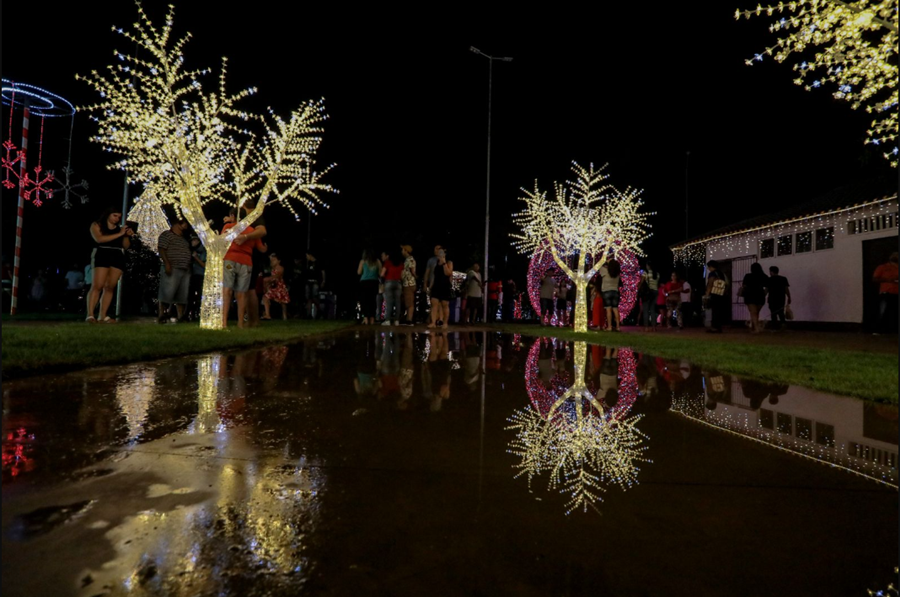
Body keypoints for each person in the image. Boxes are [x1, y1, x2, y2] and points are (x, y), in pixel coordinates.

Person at [86, 207, 134, 323]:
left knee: (110, 286)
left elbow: (126, 246)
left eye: (119, 217)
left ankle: (103, 315)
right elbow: (100, 239)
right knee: (98, 285)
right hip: (102, 253)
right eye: (114, 216)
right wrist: (120, 233)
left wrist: (126, 235)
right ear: (108, 214)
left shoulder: (120, 229)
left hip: (117, 255)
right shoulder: (97, 225)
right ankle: (90, 314)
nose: (117, 219)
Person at [221, 208, 264, 328]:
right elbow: (261, 248)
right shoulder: (251, 231)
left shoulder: (228, 227)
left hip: (230, 260)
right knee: (242, 293)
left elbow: (222, 241)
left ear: (233, 216)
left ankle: (224, 322)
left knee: (227, 290)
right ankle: (240, 323)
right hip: (246, 262)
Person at [232, 199, 268, 327]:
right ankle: (252, 320)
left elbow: (262, 231)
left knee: (248, 289)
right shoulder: (247, 219)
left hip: (251, 257)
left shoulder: (254, 216)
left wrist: (246, 237)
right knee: (247, 288)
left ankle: (253, 320)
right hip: (249, 257)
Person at [157, 218, 192, 323]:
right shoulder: (167, 235)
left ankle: (180, 316)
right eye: (185, 223)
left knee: (182, 294)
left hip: (184, 269)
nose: (186, 226)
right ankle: (162, 314)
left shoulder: (183, 238)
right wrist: (167, 263)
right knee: (167, 291)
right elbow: (162, 248)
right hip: (173, 267)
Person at [872, 252, 899, 335]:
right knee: (884, 311)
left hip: (897, 292)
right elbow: (875, 279)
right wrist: (888, 280)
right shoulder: (883, 267)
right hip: (886, 292)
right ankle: (879, 330)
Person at [740, 262, 768, 333]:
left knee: (753, 312)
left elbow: (744, 286)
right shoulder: (764, 276)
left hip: (750, 295)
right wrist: (764, 293)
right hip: (760, 296)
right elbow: (768, 287)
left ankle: (756, 328)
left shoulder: (748, 276)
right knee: (756, 312)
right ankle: (754, 327)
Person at [429, 248, 452, 329]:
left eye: (442, 253)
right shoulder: (436, 264)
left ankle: (445, 323)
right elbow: (434, 276)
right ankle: (433, 322)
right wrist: (430, 286)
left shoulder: (448, 263)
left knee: (444, 305)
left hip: (444, 286)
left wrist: (444, 263)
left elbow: (448, 273)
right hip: (436, 286)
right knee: (434, 304)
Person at [262, 253, 290, 320]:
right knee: (265, 298)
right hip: (274, 287)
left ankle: (284, 316)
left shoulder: (280, 268)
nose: (272, 261)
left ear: (278, 261)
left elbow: (277, 275)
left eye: (274, 260)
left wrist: (269, 279)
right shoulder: (273, 269)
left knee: (283, 302)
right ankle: (267, 314)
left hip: (280, 287)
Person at [380, 249, 404, 326]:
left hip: (389, 282)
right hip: (398, 283)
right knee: (397, 302)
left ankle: (388, 320)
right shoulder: (401, 264)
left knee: (389, 302)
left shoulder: (388, 263)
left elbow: (382, 274)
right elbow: (402, 275)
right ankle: (396, 320)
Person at [357, 249, 381, 325]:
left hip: (364, 282)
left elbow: (359, 272)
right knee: (373, 300)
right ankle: (372, 318)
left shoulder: (363, 261)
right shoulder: (377, 261)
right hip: (374, 282)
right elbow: (380, 273)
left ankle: (366, 318)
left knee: (364, 301)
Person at [704, 260, 728, 333]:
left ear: (711, 266)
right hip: (721, 293)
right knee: (719, 310)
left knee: (715, 310)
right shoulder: (721, 273)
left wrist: (707, 294)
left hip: (714, 293)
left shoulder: (712, 274)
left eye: (708, 267)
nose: (708, 268)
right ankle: (718, 327)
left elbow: (710, 284)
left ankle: (714, 327)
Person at [765, 266, 791, 330]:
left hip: (772, 299)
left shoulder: (769, 280)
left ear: (771, 271)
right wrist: (789, 297)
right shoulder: (783, 279)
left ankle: (775, 327)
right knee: (781, 312)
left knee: (773, 313)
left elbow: (766, 290)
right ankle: (783, 325)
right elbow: (786, 289)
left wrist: (762, 296)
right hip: (781, 298)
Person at [599, 259, 622, 331]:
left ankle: (609, 326)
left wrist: (606, 262)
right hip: (615, 291)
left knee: (608, 309)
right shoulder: (617, 274)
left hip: (606, 291)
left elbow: (600, 266)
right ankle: (618, 326)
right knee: (615, 309)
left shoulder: (604, 271)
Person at [187, 235, 206, 321]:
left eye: (194, 240)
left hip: (201, 276)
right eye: (192, 241)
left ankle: (198, 314)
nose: (192, 242)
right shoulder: (192, 250)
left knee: (199, 297)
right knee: (190, 296)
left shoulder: (203, 251)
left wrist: (196, 258)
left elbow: (205, 266)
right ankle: (190, 314)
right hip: (193, 275)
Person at [302, 251, 325, 319]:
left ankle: (319, 310)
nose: (306, 257)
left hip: (315, 282)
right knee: (308, 298)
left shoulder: (318, 262)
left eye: (307, 256)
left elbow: (323, 272)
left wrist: (323, 281)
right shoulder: (307, 263)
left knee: (314, 297)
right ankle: (309, 314)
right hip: (308, 282)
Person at [640, 261, 661, 331]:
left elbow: (641, 282)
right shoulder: (657, 274)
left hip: (648, 292)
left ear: (648, 266)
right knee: (652, 310)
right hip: (655, 292)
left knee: (645, 310)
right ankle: (654, 327)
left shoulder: (646, 273)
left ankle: (646, 327)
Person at [401, 245, 417, 325]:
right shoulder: (408, 259)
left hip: (409, 283)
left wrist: (415, 276)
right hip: (408, 283)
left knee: (409, 302)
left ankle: (409, 320)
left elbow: (412, 270)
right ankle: (408, 319)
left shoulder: (410, 259)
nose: (402, 251)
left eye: (403, 250)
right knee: (408, 301)